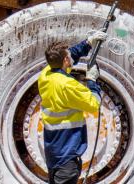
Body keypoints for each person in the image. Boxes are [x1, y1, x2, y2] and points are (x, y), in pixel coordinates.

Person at [38, 30, 108, 184]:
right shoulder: (67, 85)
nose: (71, 56)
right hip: (67, 156)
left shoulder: (46, 76)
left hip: (54, 154)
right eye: (68, 56)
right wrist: (92, 81)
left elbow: (70, 56)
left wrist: (88, 43)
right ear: (65, 61)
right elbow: (93, 103)